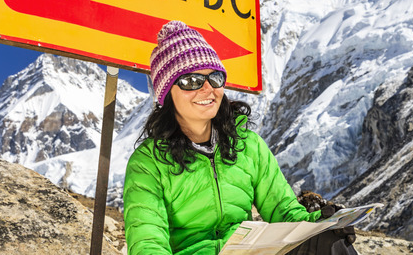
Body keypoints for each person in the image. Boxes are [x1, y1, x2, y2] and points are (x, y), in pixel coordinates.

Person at [123, 20, 357, 255]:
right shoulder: (148, 163)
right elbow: (147, 244)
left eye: (214, 78)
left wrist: (323, 222)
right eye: (191, 81)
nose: (207, 88)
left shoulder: (247, 145)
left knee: (330, 242)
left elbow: (284, 212)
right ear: (166, 92)